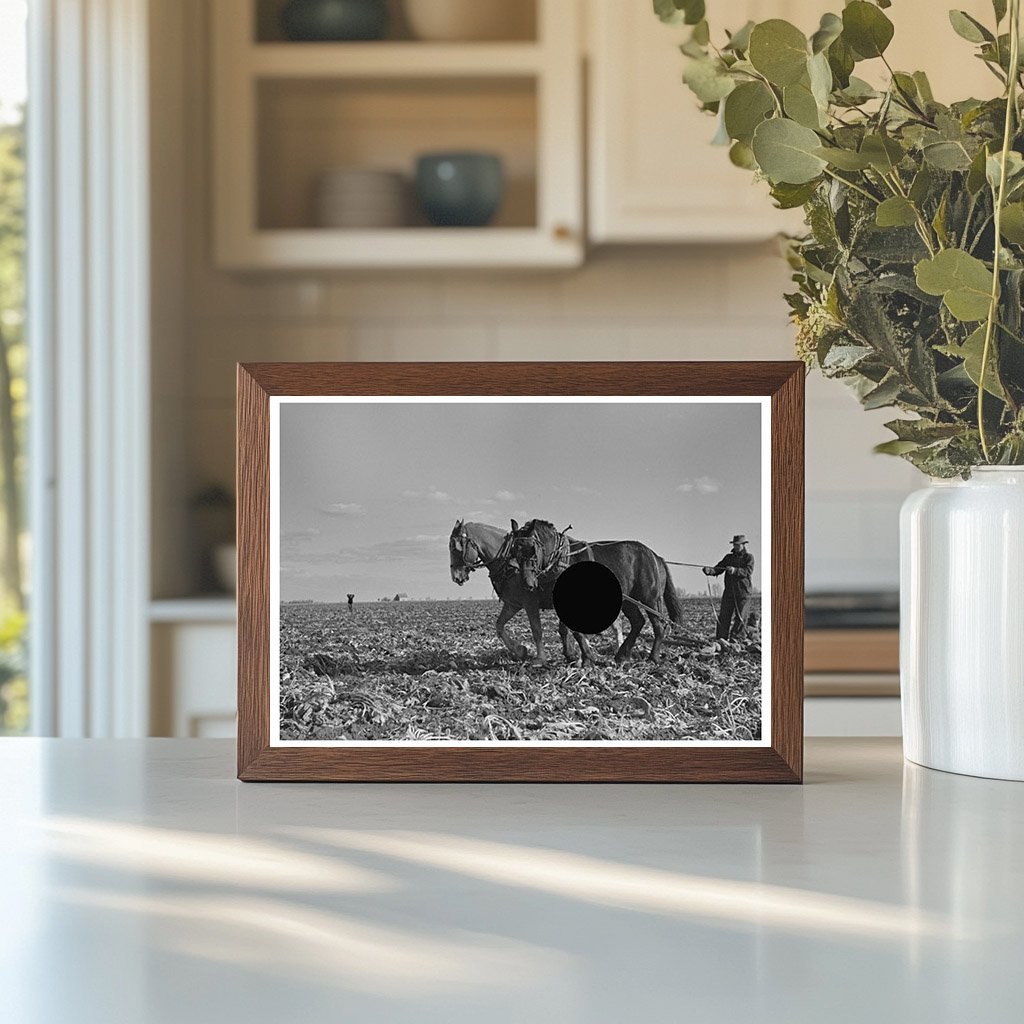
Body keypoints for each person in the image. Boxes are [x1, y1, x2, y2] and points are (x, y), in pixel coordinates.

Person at [703, 535, 755, 641]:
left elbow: (748, 571)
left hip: (743, 593)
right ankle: (721, 638)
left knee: (741, 617)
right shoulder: (728, 558)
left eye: (738, 545)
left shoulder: (749, 557)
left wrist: (735, 570)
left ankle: (736, 639)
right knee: (724, 616)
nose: (736, 547)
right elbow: (719, 568)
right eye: (735, 545)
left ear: (743, 545)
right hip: (729, 592)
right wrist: (710, 571)